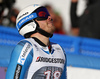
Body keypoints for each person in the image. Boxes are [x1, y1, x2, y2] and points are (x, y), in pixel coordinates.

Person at [6, 4, 67, 79]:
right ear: (30, 23)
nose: (50, 17)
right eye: (43, 14)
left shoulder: (60, 50)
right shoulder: (26, 47)